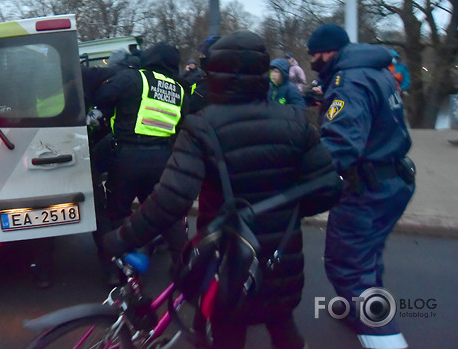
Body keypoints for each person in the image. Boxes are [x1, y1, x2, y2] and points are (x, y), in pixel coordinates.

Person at [103, 31, 342, 349]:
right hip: (280, 256)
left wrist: (121, 238)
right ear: (262, 73)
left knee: (228, 332)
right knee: (283, 325)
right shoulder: (296, 120)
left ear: (214, 73)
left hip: (227, 259)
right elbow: (328, 189)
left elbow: (171, 200)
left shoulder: (202, 126)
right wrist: (285, 208)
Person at [306, 23, 415, 349]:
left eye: (315, 55)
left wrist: (305, 177)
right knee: (367, 254)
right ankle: (365, 306)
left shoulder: (348, 82)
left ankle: (384, 337)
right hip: (393, 178)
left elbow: (340, 144)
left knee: (349, 266)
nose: (313, 60)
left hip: (368, 187)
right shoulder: (375, 71)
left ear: (329, 52)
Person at [94, 42, 188, 286]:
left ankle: (121, 269)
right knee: (164, 211)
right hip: (162, 158)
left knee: (118, 212)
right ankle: (184, 263)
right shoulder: (178, 87)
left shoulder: (133, 78)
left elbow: (102, 97)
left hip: (127, 158)